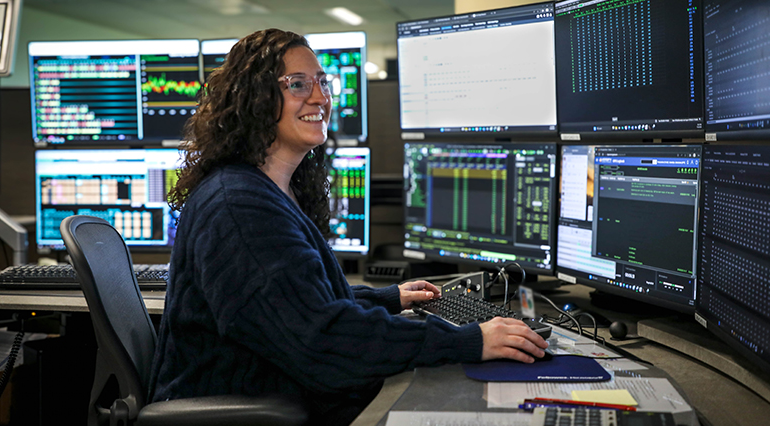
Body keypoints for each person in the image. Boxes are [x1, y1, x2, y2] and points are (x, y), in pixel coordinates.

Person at [149, 28, 549, 426]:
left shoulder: (261, 189)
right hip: (258, 412)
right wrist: (470, 341)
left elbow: (297, 305)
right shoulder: (239, 208)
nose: (320, 97)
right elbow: (322, 341)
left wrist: (389, 298)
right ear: (253, 98)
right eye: (298, 84)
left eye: (323, 83)